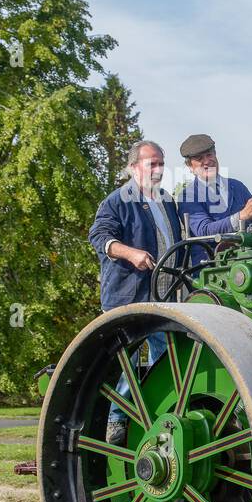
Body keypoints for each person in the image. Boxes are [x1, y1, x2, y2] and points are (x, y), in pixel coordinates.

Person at [88, 139, 183, 444]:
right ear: (133, 168)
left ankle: (160, 414)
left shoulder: (167, 200)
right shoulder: (116, 201)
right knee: (127, 362)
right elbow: (99, 237)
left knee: (166, 358)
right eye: (150, 164)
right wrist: (130, 253)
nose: (157, 169)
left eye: (160, 163)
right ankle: (115, 420)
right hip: (129, 297)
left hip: (164, 295)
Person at [175, 134, 252, 258]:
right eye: (199, 158)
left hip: (249, 261)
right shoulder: (188, 196)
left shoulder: (237, 186)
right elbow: (204, 231)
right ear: (190, 166)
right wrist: (242, 216)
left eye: (209, 155)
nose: (207, 161)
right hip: (211, 267)